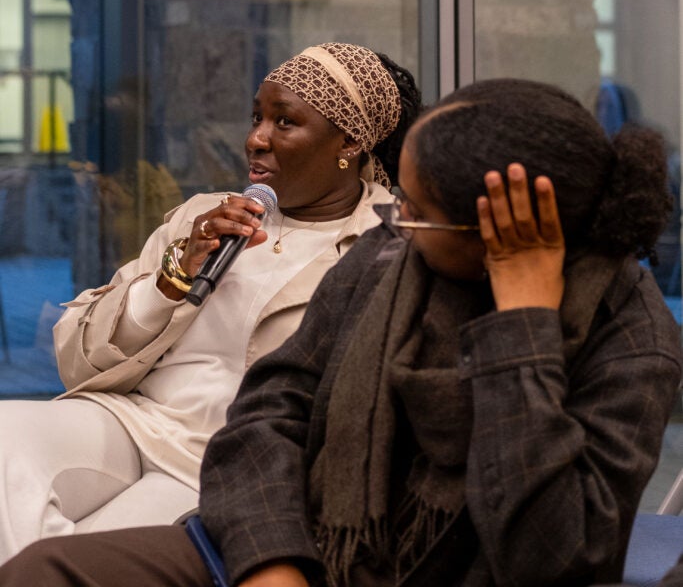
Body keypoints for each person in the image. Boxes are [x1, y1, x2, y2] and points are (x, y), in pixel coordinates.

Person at [1, 77, 680, 587]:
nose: (394, 215)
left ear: (492, 227)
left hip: (445, 572)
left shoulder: (627, 333)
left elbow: (554, 554)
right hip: (311, 543)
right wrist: (272, 560)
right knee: (46, 570)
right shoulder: (389, 258)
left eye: (415, 208)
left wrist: (521, 329)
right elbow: (266, 415)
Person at [0, 42, 421, 562]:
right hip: (134, 422)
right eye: (256, 117)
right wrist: (172, 278)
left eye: (284, 122)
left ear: (350, 141)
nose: (254, 140)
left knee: (77, 557)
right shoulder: (202, 216)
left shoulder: (389, 245)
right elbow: (77, 360)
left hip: (233, 460)